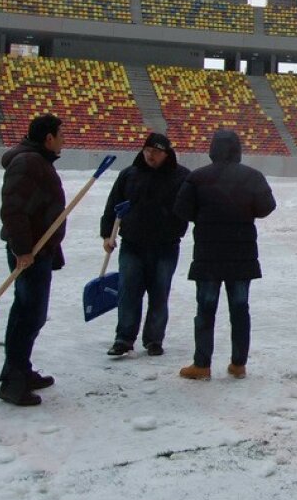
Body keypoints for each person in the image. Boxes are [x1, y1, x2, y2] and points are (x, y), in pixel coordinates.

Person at [173, 129, 276, 380]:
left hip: (208, 254)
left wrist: (205, 216)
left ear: (212, 149)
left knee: (205, 309)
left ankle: (202, 364)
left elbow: (182, 209)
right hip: (242, 253)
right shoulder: (253, 176)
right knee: (240, 310)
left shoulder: (197, 178)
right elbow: (267, 207)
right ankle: (238, 364)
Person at [0, 113, 66, 406]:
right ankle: (13, 382)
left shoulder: (36, 161)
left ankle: (20, 371)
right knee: (29, 315)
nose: (64, 140)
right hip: (29, 254)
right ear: (48, 138)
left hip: (38, 250)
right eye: (61, 134)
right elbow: (13, 210)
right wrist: (24, 249)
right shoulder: (28, 163)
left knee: (29, 312)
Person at [100, 132, 190, 357]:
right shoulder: (129, 175)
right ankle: (124, 338)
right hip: (133, 244)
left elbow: (191, 208)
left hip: (166, 246)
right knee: (128, 291)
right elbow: (113, 205)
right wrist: (107, 235)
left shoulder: (181, 177)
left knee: (160, 293)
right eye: (148, 150)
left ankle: (154, 339)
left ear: (167, 154)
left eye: (157, 152)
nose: (151, 156)